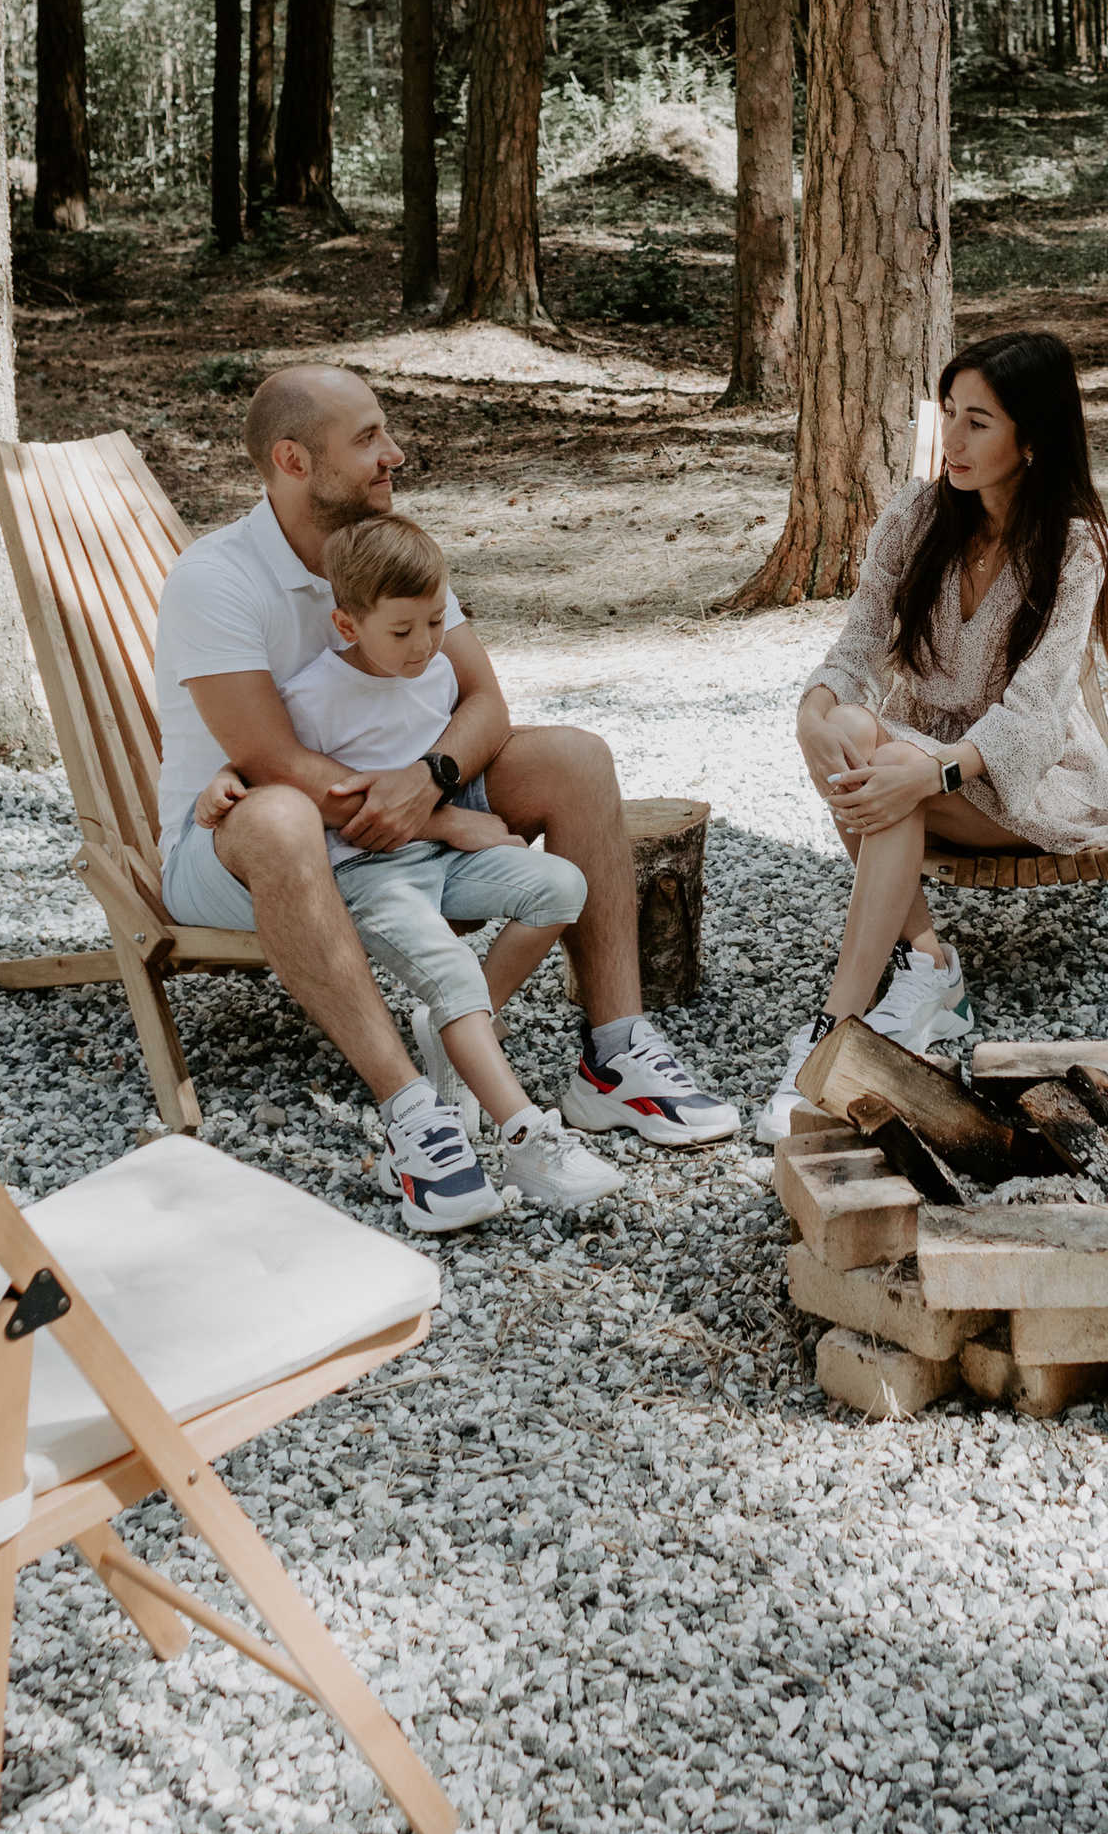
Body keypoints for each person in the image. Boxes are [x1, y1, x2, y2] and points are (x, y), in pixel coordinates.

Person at [155, 365, 737, 1228]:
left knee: (575, 759)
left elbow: (485, 703)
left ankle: (613, 1057)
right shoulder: (218, 579)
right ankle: (413, 1115)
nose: (394, 454)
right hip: (235, 849)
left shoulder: (390, 551)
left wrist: (431, 781)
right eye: (367, 439)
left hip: (397, 825)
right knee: (279, 816)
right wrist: (439, 814)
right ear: (293, 460)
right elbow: (271, 759)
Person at [197, 509, 617, 1228]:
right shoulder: (317, 694)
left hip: (438, 860)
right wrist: (222, 780)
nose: (424, 644)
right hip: (369, 873)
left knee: (560, 886)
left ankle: (452, 1024)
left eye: (435, 621)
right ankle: (525, 1137)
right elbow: (268, 763)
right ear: (347, 625)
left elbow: (471, 730)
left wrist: (454, 819)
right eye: (402, 631)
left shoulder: (437, 672)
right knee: (451, 971)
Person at [763, 330, 1108, 1141]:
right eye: (948, 413)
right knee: (849, 726)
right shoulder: (917, 515)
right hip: (920, 759)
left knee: (892, 763)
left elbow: (1035, 711)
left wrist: (932, 774)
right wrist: (810, 715)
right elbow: (860, 642)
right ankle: (927, 962)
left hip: (1027, 777)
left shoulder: (1074, 547)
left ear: (1031, 439)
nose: (952, 440)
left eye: (978, 422)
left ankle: (833, 1032)